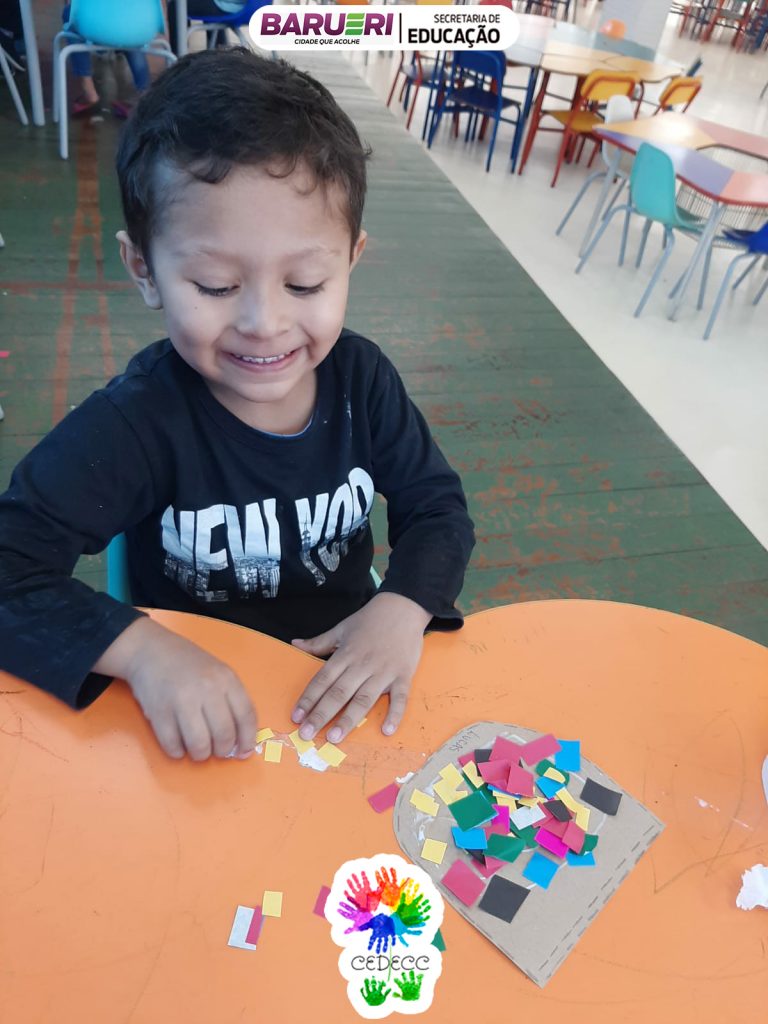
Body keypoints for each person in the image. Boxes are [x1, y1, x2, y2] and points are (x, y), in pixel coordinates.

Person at [0, 48, 475, 763]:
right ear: (144, 269)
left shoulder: (363, 382)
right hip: (192, 715)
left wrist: (402, 607)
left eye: (306, 284)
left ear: (351, 259)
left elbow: (437, 508)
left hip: (342, 690)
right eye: (217, 286)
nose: (264, 323)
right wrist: (143, 650)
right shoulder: (138, 422)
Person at [61, 3, 150, 118]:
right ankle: (145, 94)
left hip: (99, 28)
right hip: (138, 26)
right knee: (131, 21)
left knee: (70, 12)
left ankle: (88, 89)